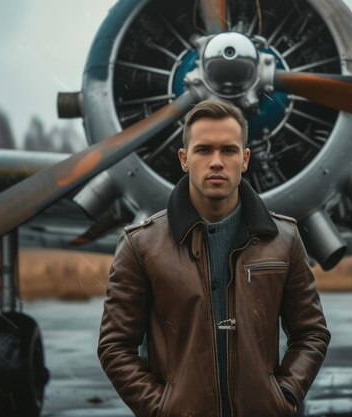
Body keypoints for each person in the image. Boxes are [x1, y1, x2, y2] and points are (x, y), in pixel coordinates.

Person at [98, 99, 330, 417]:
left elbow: (311, 332)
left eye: (229, 150)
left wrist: (284, 395)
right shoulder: (140, 245)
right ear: (184, 158)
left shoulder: (285, 239)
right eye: (204, 150)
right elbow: (115, 345)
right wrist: (161, 409)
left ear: (245, 158)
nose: (217, 162)